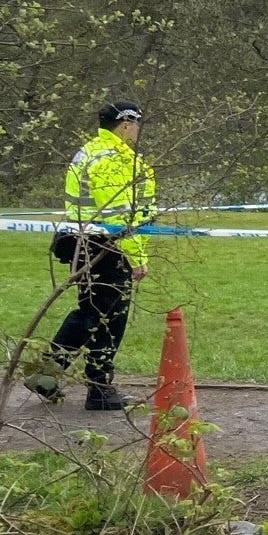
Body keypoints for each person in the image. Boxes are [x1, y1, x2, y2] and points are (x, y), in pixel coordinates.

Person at [27, 100, 157, 410]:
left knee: (92, 312)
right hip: (106, 246)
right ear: (125, 123)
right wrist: (137, 257)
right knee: (106, 316)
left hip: (84, 244)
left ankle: (54, 377)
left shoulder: (90, 151)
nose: (138, 130)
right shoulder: (112, 159)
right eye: (136, 124)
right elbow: (120, 216)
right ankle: (95, 388)